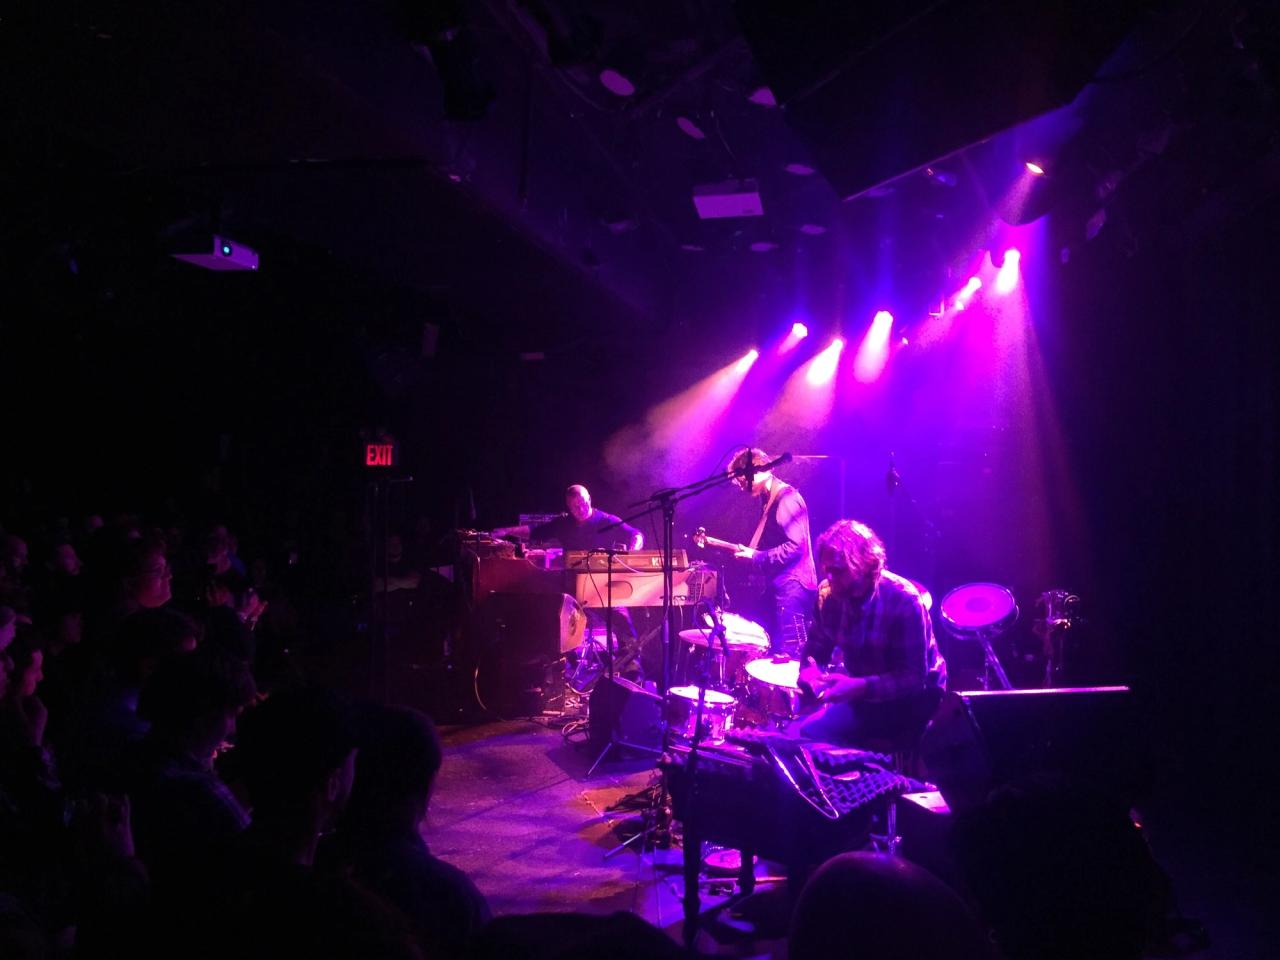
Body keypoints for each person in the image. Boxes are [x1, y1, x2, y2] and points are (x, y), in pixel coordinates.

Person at [797, 519, 946, 745]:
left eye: (838, 570)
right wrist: (809, 673)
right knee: (806, 735)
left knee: (852, 743)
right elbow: (815, 649)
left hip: (915, 702)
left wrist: (860, 686)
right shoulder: (827, 595)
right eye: (826, 570)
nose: (829, 578)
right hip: (864, 695)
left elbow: (913, 678)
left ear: (866, 564)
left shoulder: (904, 600)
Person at [725, 447, 817, 653]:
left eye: (742, 481)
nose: (741, 487)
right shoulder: (769, 497)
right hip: (781, 584)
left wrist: (756, 556)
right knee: (763, 644)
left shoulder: (786, 499)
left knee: (790, 653)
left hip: (793, 587)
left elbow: (795, 547)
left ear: (757, 472)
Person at [492, 485, 643, 553]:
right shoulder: (563, 524)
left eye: (583, 503)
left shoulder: (607, 520)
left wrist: (634, 549)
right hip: (573, 583)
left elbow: (635, 534)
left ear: (589, 499)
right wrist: (506, 531)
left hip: (604, 581)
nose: (580, 509)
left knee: (621, 618)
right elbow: (535, 531)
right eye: (575, 506)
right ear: (568, 507)